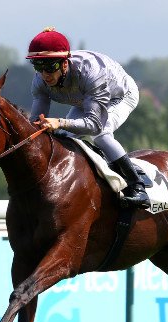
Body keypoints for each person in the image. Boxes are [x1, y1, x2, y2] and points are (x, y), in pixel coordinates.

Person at [26, 27, 150, 209]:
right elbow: (36, 123)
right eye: (39, 67)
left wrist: (59, 122)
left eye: (50, 67)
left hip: (120, 95)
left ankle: (137, 185)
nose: (45, 74)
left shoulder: (92, 73)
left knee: (101, 134)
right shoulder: (40, 81)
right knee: (66, 138)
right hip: (86, 100)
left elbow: (93, 125)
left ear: (64, 64)